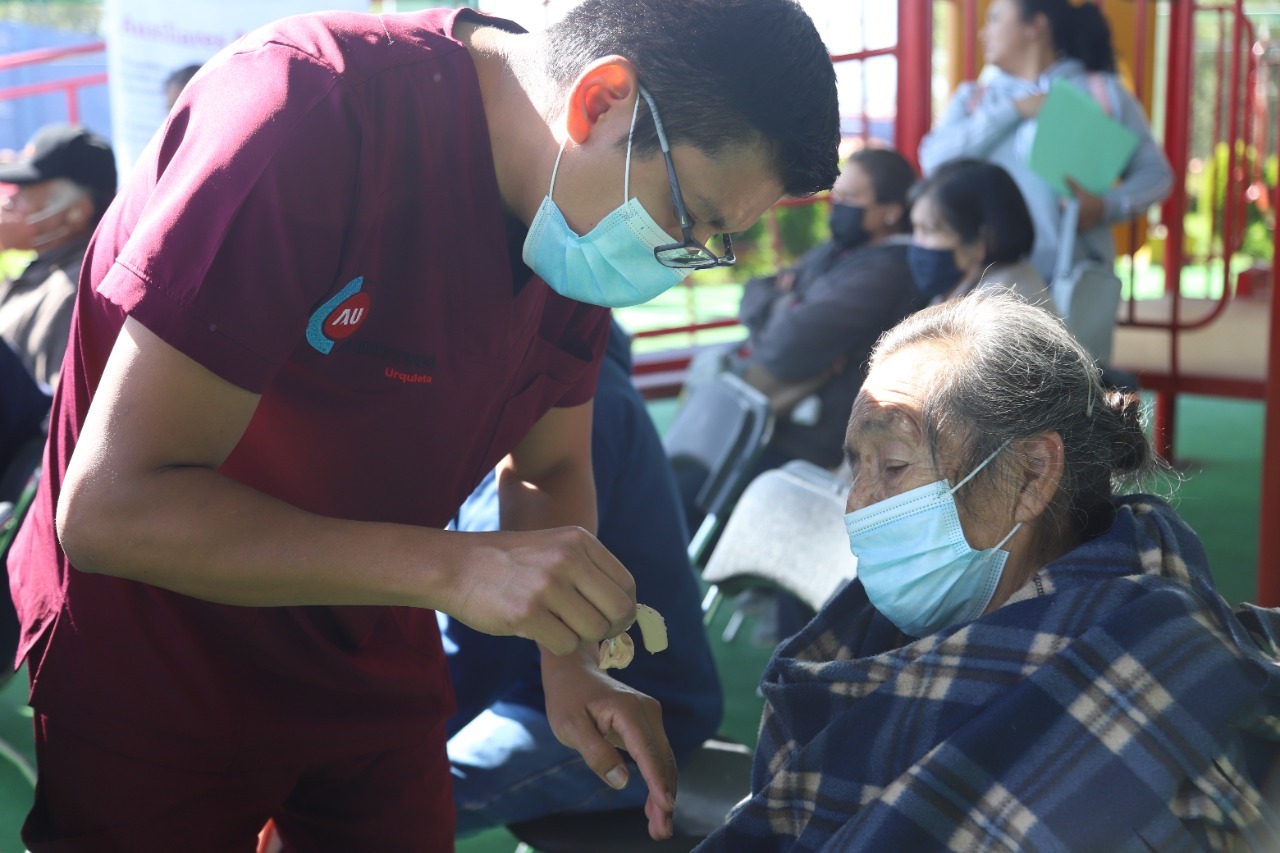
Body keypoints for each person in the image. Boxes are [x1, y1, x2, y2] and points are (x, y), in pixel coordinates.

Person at [6, 2, 840, 849]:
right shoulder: (310, 105)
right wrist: (450, 565)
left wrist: (568, 659)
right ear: (601, 102)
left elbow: (549, 465)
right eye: (690, 216)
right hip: (161, 656)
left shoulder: (569, 217)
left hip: (374, 625)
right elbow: (114, 509)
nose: (677, 254)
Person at [696, 292, 1280, 850]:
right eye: (857, 466)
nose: (859, 502)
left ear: (1031, 475)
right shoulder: (867, 636)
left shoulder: (1154, 688)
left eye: (895, 464)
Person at [443, 318, 722, 832]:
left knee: (369, 798)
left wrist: (367, 743)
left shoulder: (560, 414)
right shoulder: (554, 379)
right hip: (539, 681)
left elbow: (490, 626)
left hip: (625, 710)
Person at [918, 0, 1172, 283]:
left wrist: (1106, 206)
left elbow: (1156, 174)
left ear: (1035, 26)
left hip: (1074, 284)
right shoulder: (974, 99)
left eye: (994, 19)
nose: (982, 33)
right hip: (988, 287)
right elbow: (933, 162)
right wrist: (1014, 110)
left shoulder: (1103, 94)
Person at [737, 147, 921, 472]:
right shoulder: (840, 249)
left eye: (851, 199)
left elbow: (785, 344)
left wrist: (788, 301)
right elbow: (755, 288)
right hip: (778, 420)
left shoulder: (886, 272)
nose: (838, 207)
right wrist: (786, 306)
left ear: (891, 211)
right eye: (837, 195)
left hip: (811, 440)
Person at [0, 124, 116, 389]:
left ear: (76, 212)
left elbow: (55, 415)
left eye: (25, 192)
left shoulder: (74, 293)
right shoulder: (47, 265)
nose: (7, 202)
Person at [908, 157, 1052, 308]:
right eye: (915, 228)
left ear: (982, 238)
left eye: (929, 230)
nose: (917, 242)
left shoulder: (1000, 305)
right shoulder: (973, 287)